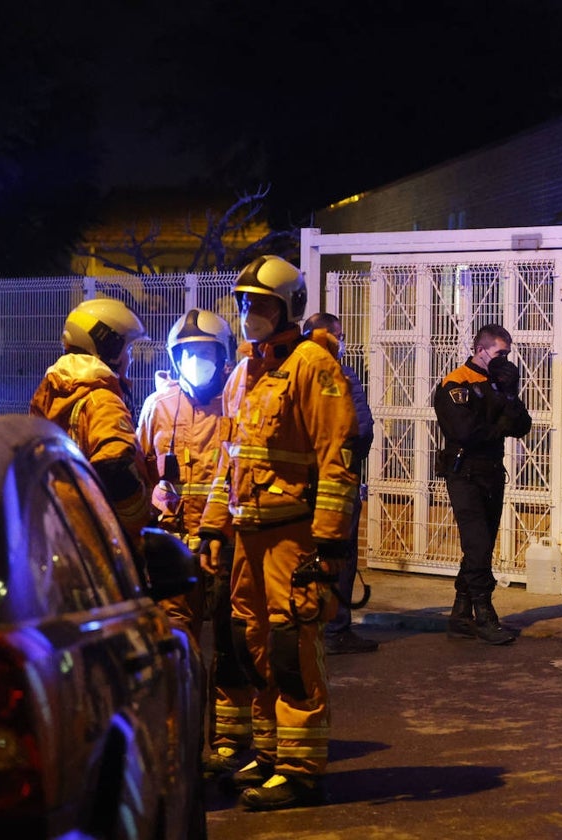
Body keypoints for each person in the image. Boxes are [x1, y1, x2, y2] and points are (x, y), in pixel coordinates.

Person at [198, 255, 361, 811]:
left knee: (291, 647)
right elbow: (233, 458)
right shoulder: (252, 368)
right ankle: (270, 754)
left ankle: (301, 770)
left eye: (260, 304)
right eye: (244, 302)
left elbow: (336, 459)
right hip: (248, 535)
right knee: (253, 645)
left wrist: (331, 545)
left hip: (293, 537)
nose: (248, 313)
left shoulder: (313, 364)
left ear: (288, 306)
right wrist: (213, 528)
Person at [136, 308, 252, 776]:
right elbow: (139, 472)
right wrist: (152, 494)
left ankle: (230, 737)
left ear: (223, 357)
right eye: (187, 354)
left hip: (225, 547)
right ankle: (183, 740)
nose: (196, 361)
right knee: (178, 643)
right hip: (172, 547)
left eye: (205, 353)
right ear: (173, 357)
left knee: (232, 642)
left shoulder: (238, 404)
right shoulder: (157, 408)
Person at [433, 324, 532, 645]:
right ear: (481, 349)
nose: (505, 359)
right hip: (465, 473)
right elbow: (467, 433)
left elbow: (522, 425)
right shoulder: (456, 383)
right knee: (477, 545)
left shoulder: (496, 384)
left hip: (491, 471)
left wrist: (509, 394)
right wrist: (501, 419)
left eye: (508, 353)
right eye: (500, 353)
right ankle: (484, 614)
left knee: (483, 544)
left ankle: (461, 615)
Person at [30, 297, 152, 543]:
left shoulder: (50, 395)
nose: (131, 359)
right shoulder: (101, 400)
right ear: (110, 348)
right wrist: (141, 521)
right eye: (127, 349)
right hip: (101, 537)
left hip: (55, 527)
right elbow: (114, 465)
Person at [303, 312, 378, 656]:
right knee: (339, 555)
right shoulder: (341, 375)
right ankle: (335, 628)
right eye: (340, 335)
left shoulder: (287, 372)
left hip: (295, 488)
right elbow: (359, 430)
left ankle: (305, 624)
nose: (342, 342)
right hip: (337, 485)